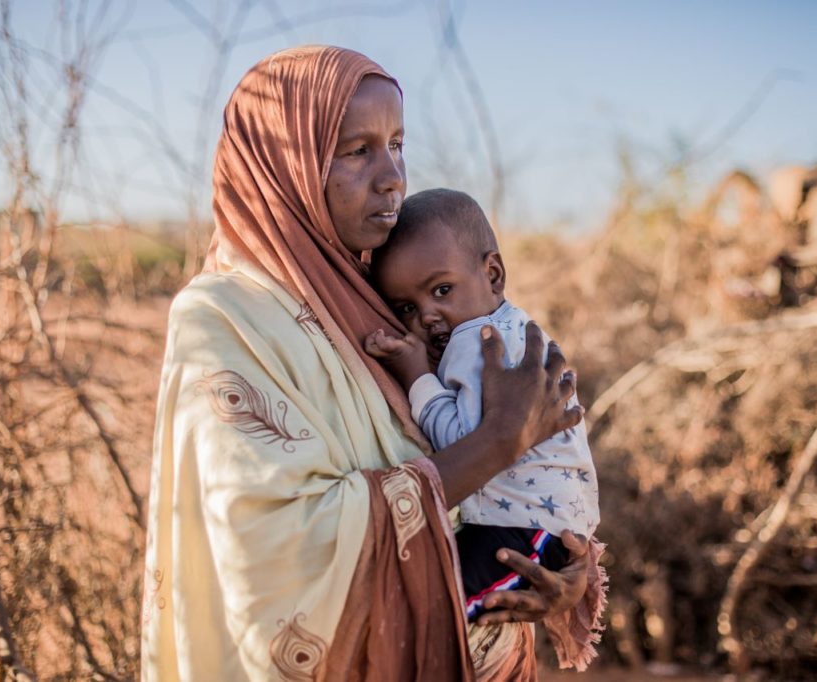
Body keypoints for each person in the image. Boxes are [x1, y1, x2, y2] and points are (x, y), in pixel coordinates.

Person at [141, 45, 607, 681]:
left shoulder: (382, 293)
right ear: (285, 166)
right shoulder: (224, 317)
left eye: (397, 144)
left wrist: (556, 560)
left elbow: (508, 488)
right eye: (356, 151)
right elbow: (278, 543)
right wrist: (500, 440)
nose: (391, 175)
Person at [363, 188, 602, 623]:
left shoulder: (477, 341)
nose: (428, 316)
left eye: (441, 289)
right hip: (544, 525)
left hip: (519, 530)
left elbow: (465, 443)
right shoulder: (513, 325)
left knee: (436, 614)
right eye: (406, 308)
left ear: (492, 274)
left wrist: (417, 376)